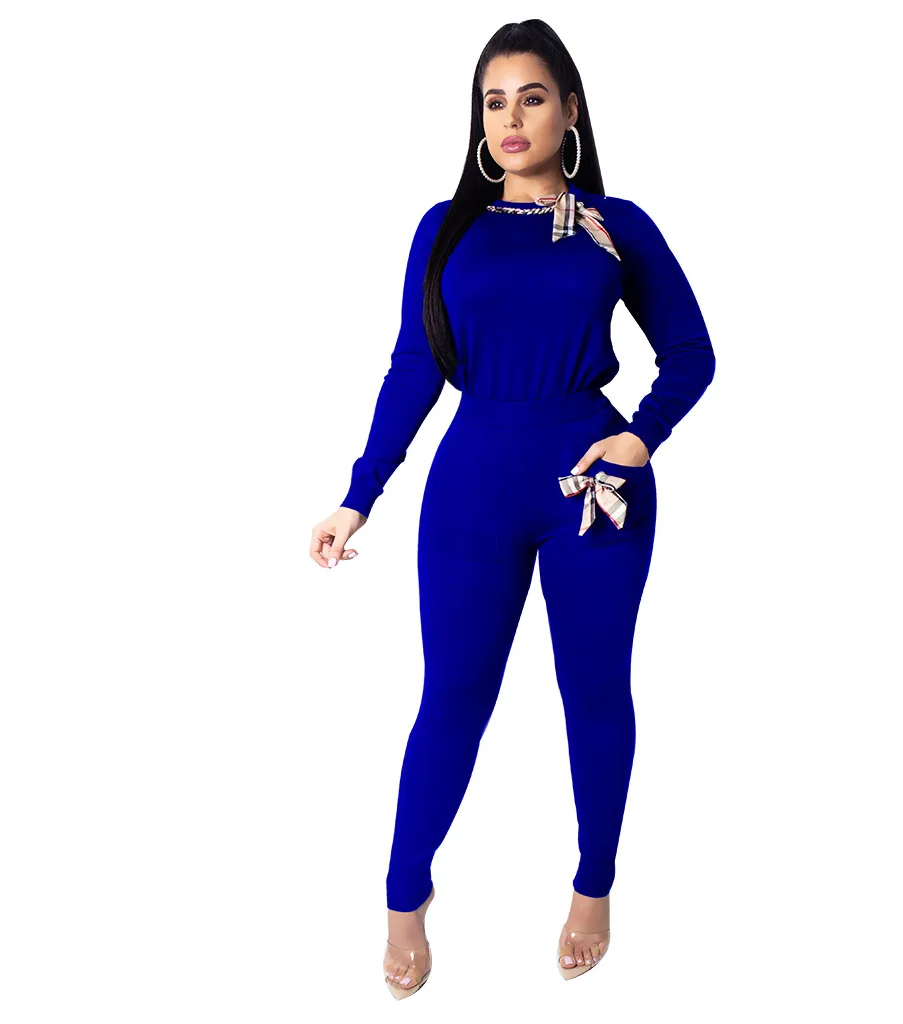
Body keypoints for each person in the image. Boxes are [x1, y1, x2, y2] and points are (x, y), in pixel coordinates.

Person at [308, 19, 715, 999]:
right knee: (452, 697)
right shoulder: (445, 227)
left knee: (595, 691)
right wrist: (359, 492)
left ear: (570, 110)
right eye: (493, 102)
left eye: (532, 97)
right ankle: (404, 895)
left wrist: (640, 436)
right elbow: (415, 366)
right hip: (473, 483)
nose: (510, 118)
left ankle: (593, 885)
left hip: (595, 487)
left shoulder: (615, 223)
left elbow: (692, 352)